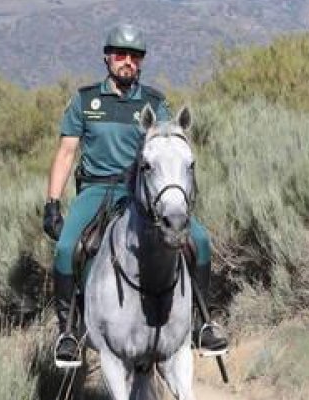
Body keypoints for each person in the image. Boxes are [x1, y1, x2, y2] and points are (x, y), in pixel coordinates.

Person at [42, 24, 228, 368]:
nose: (127, 61)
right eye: (120, 54)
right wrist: (53, 202)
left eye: (135, 56)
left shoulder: (154, 102)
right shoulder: (85, 100)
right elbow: (67, 152)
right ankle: (67, 332)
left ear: (140, 62)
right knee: (67, 248)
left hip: (141, 191)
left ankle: (203, 324)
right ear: (107, 57)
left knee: (199, 241)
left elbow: (169, 146)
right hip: (96, 189)